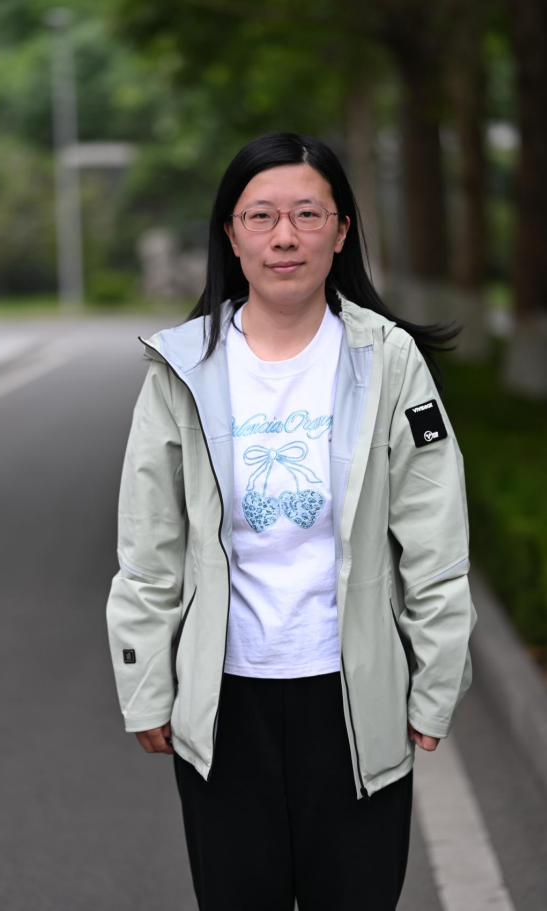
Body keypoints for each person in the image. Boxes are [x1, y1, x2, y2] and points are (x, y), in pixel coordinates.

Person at [105, 131, 477, 911]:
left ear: (340, 233)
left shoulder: (388, 359)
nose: (284, 236)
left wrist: (435, 679)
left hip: (353, 697)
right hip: (224, 700)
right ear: (230, 234)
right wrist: (144, 681)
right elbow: (148, 546)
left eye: (308, 214)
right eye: (261, 215)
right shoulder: (180, 368)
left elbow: (434, 538)